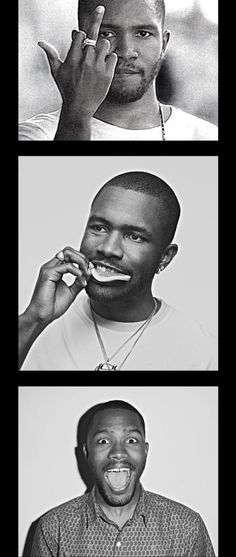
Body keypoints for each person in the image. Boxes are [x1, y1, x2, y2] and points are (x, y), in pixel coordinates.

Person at [19, 171, 217, 371]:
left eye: (134, 236)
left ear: (165, 257)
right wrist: (34, 318)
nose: (108, 248)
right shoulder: (36, 325)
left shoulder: (204, 354)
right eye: (99, 228)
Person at [27, 399, 216, 557]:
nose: (118, 453)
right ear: (86, 452)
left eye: (131, 440)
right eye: (104, 441)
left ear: (145, 450)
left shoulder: (187, 527)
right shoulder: (54, 528)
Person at [19, 0, 218, 141]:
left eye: (143, 33)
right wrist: (76, 118)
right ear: (81, 43)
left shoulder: (206, 138)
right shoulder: (38, 135)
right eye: (107, 33)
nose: (126, 51)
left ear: (164, 44)